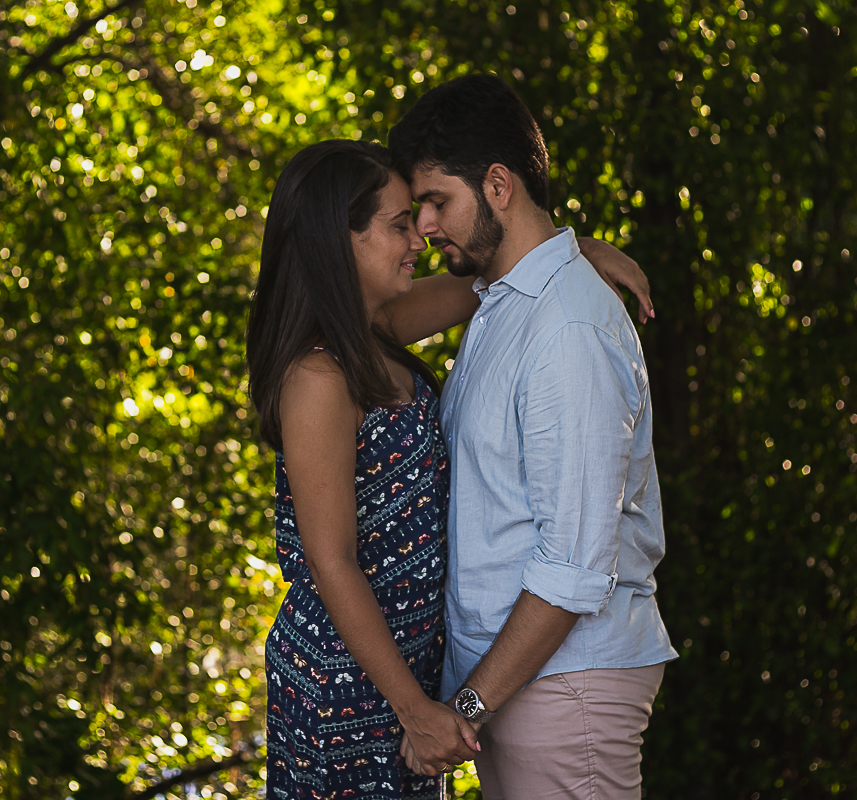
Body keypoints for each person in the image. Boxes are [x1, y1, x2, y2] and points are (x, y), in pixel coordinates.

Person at [245, 139, 654, 800]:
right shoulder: (318, 377)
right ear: (335, 241)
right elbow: (332, 562)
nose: (419, 238)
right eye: (398, 225)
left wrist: (580, 255)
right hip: (349, 681)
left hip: (407, 668)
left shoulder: (377, 332)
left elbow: (495, 278)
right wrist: (414, 707)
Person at [389, 74, 677, 799]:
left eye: (437, 202)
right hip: (525, 685)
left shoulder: (567, 329)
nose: (424, 226)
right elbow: (352, 319)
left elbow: (572, 566)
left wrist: (465, 709)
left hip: (564, 690)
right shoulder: (506, 302)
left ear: (497, 185)